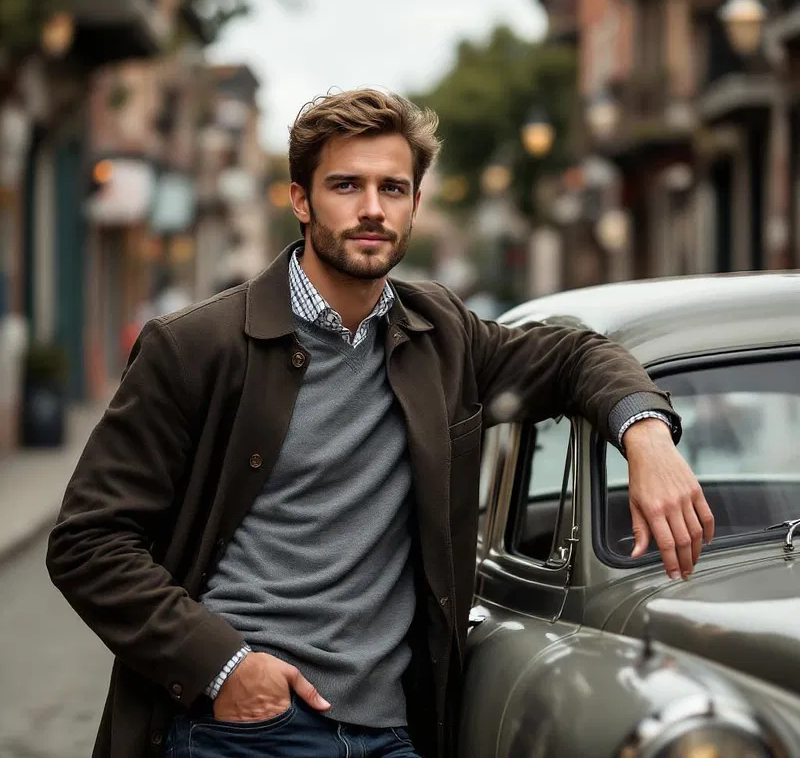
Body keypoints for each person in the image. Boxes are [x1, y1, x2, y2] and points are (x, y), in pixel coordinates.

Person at [46, 89, 714, 758]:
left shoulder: (441, 334)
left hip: (394, 733)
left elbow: (576, 355)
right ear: (301, 201)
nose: (372, 208)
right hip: (244, 729)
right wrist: (225, 666)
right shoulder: (197, 347)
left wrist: (645, 434)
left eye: (393, 187)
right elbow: (88, 542)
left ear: (415, 205)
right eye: (346, 185)